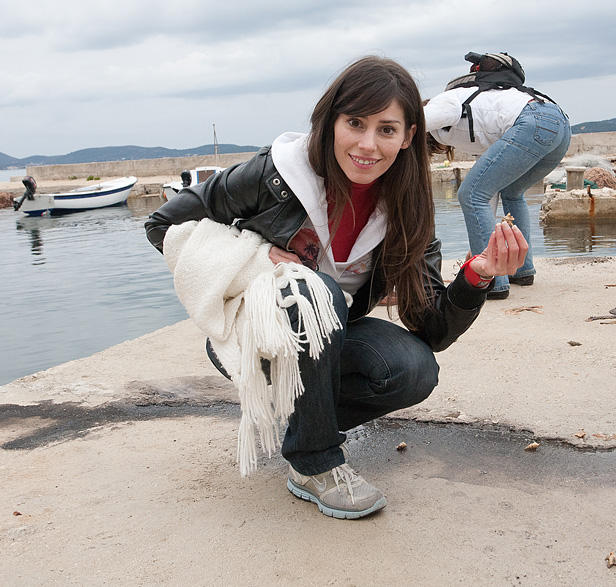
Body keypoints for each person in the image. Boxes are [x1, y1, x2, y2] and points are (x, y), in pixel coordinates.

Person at [145, 56, 528, 520]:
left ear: (409, 136)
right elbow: (164, 224)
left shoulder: (407, 207)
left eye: (387, 129)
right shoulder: (275, 173)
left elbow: (431, 329)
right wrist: (256, 258)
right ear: (330, 123)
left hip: (331, 334)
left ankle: (306, 422)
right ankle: (315, 461)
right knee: (316, 290)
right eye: (355, 123)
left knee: (413, 369)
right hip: (256, 336)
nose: (368, 144)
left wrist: (477, 274)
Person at [425, 53, 570, 299]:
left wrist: (395, 133)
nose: (441, 149)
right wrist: (480, 248)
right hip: (559, 124)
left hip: (532, 121)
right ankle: (521, 270)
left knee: (469, 194)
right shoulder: (481, 116)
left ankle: (492, 281)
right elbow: (487, 196)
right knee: (512, 192)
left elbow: (413, 122)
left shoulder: (443, 102)